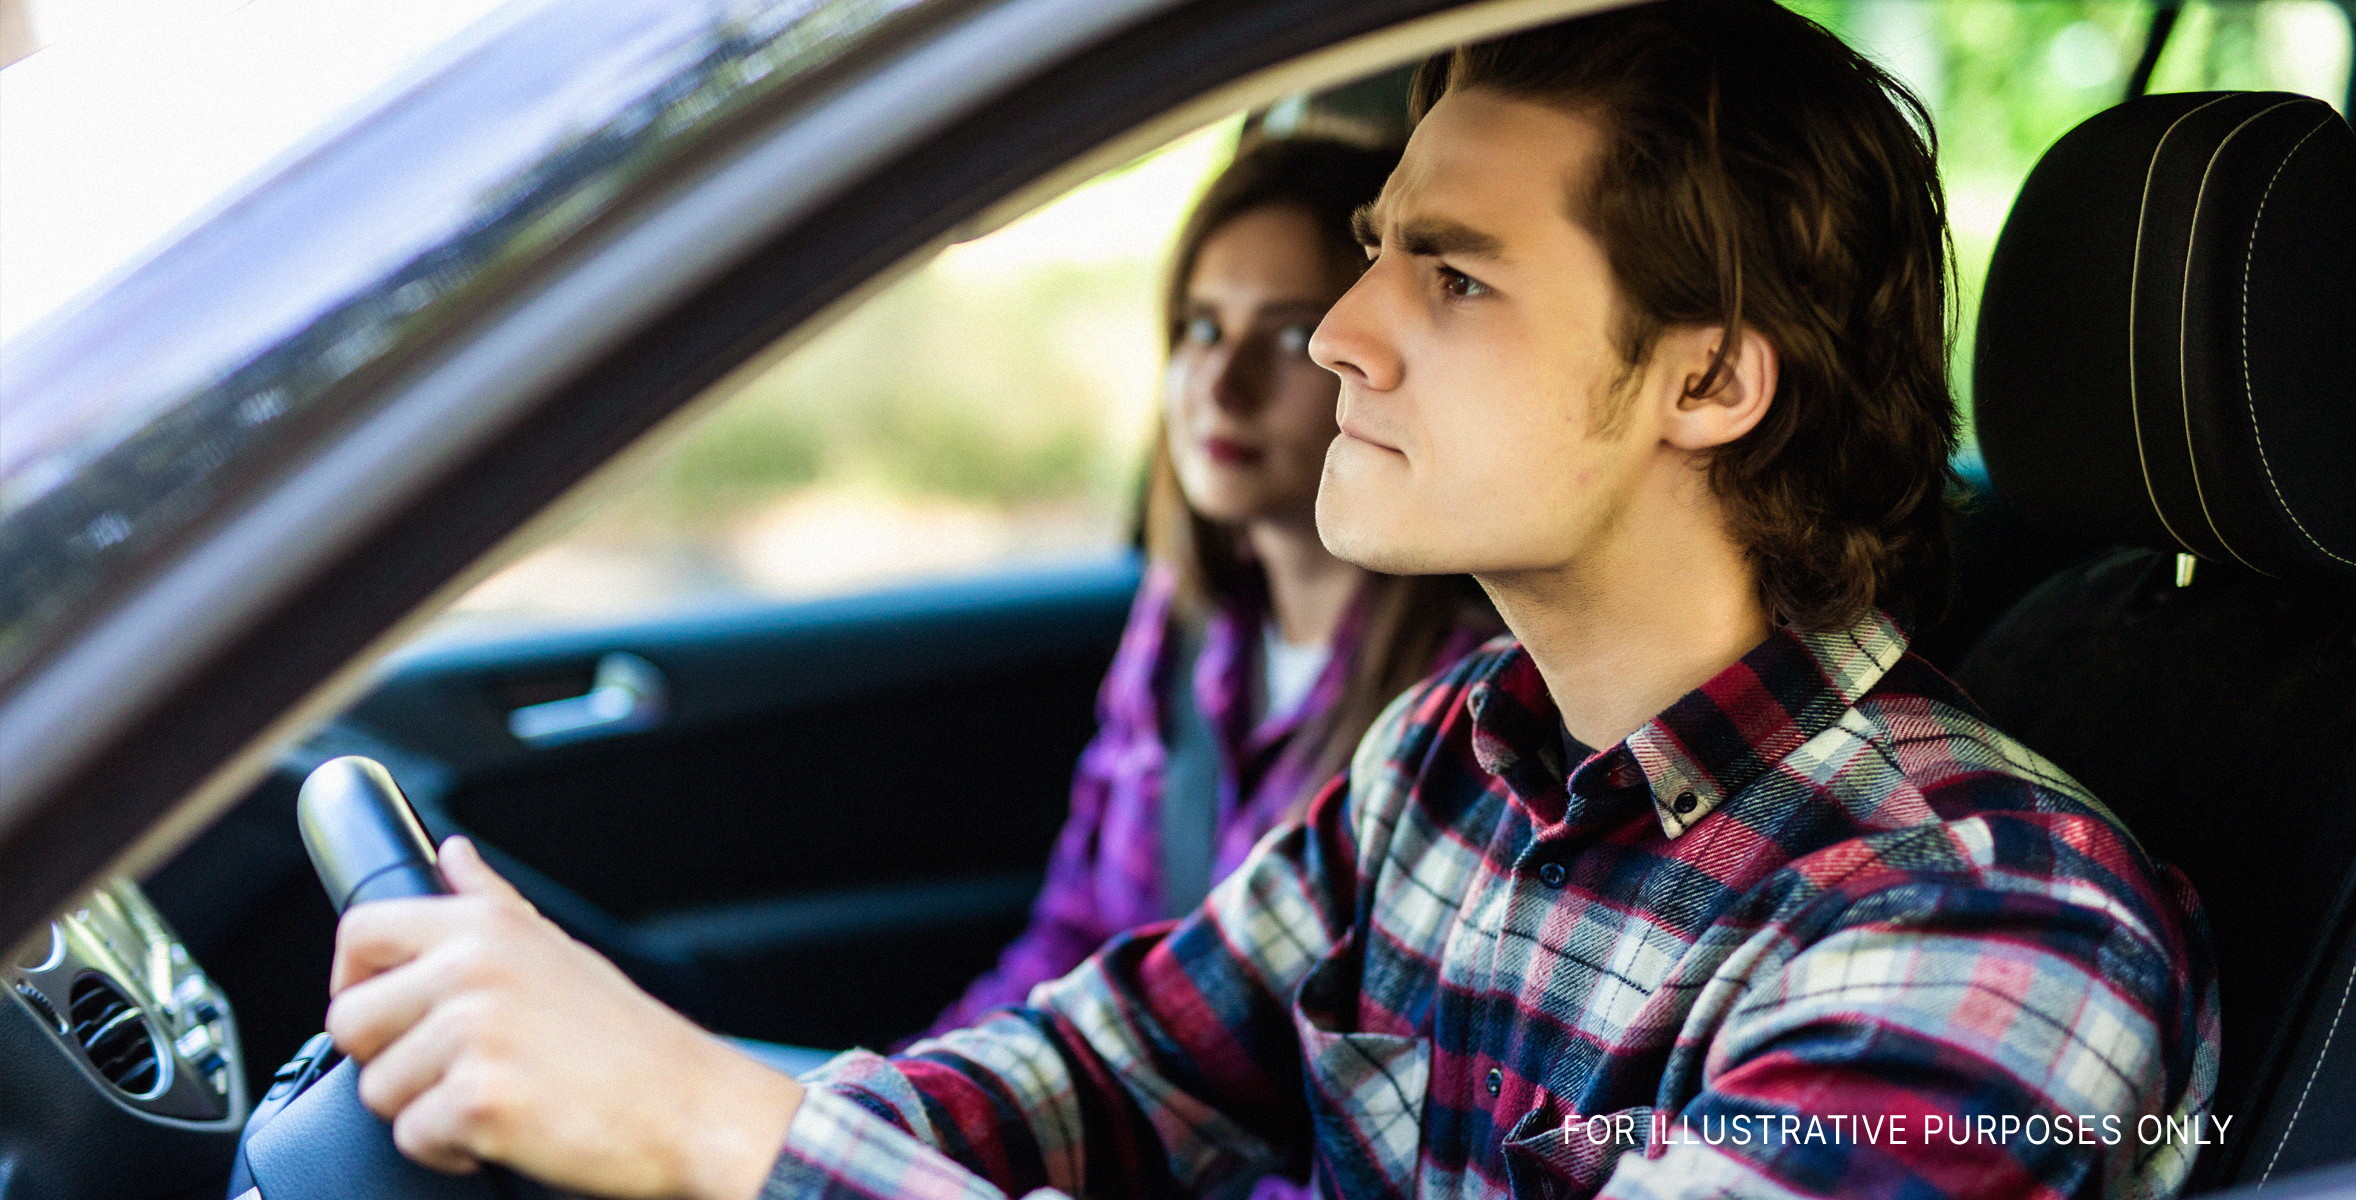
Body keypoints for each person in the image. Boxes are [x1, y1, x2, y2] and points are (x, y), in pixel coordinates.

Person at [322, 4, 2220, 1199]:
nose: (1342, 331)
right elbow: (1099, 1081)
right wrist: (636, 1083)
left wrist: (735, 1142)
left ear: (1709, 384)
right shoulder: (1454, 760)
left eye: (1455, 278)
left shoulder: (1993, 923)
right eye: (1381, 248)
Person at [913, 134, 1497, 1048]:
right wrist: (900, 1096)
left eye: (1289, 332)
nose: (1223, 385)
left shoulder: (1460, 702)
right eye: (1201, 327)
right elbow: (1073, 936)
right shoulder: (1185, 624)